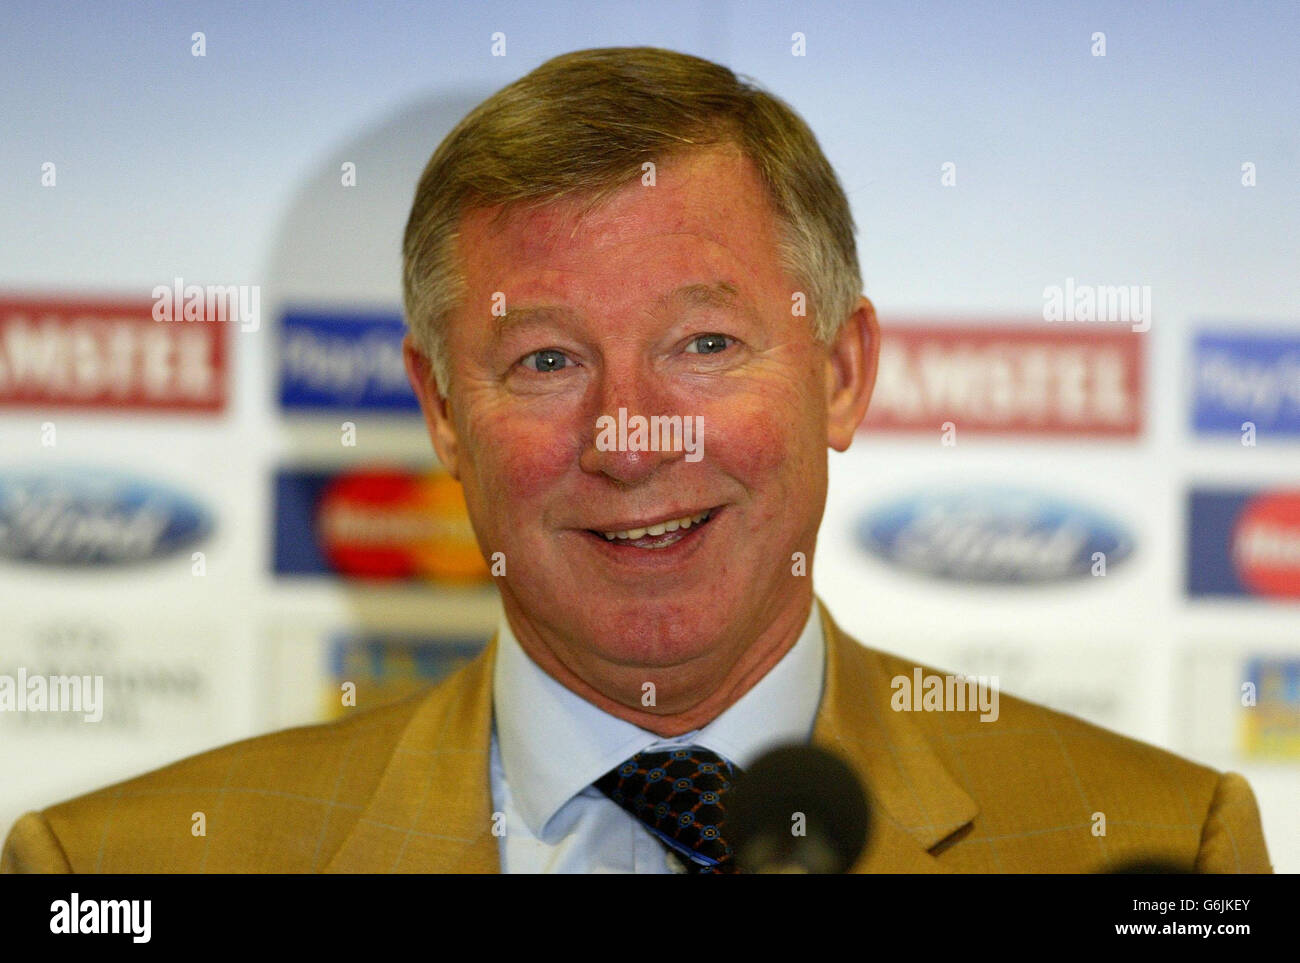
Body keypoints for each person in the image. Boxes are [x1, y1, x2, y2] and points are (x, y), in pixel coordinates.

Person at [2, 47, 1270, 874]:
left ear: (840, 372)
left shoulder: (1161, 852)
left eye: (704, 343)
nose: (630, 438)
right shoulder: (117, 872)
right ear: (443, 412)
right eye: (547, 361)